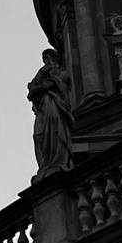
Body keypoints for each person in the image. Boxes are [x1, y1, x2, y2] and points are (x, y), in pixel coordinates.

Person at [27, 48, 74, 177]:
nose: (45, 62)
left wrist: (39, 87)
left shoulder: (61, 73)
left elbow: (46, 86)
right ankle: (46, 164)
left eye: (47, 58)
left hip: (55, 105)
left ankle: (58, 161)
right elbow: (31, 90)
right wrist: (42, 74)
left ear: (54, 59)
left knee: (55, 132)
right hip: (43, 108)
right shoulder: (43, 73)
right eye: (43, 60)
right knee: (38, 136)